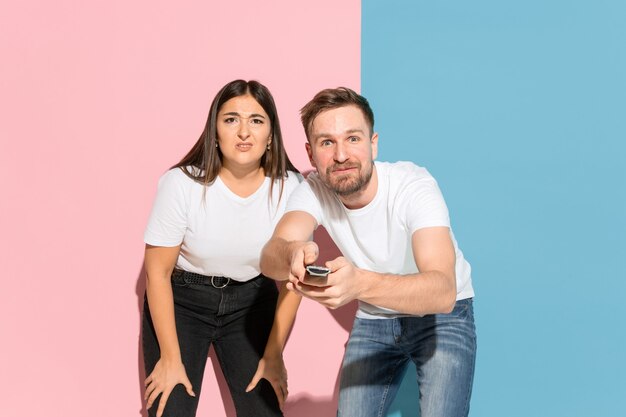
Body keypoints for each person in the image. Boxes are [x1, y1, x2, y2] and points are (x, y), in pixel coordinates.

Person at [260, 87, 476, 417]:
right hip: (375, 318)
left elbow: (443, 291)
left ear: (373, 143)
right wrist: (292, 253)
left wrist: (359, 284)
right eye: (326, 142)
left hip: (441, 317)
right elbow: (270, 254)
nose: (341, 155)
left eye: (353, 139)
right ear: (310, 153)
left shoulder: (414, 186)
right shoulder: (313, 190)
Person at [142, 79, 303, 417]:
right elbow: (157, 273)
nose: (244, 131)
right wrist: (171, 358)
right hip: (183, 303)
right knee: (169, 409)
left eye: (256, 121)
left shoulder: (292, 188)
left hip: (252, 304)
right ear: (215, 131)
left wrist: (273, 355)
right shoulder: (181, 184)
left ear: (271, 135)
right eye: (231, 119)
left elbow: (294, 281)